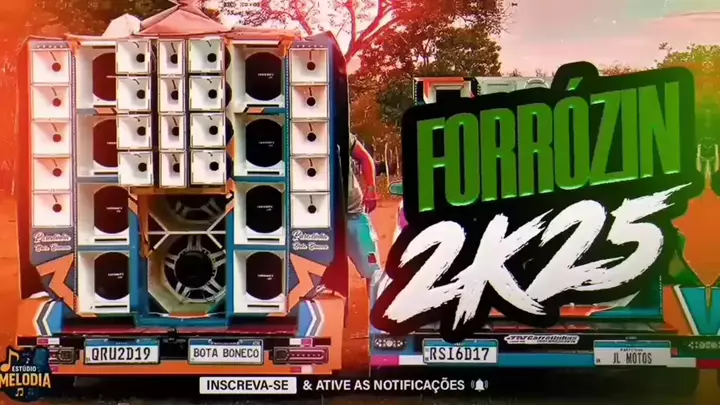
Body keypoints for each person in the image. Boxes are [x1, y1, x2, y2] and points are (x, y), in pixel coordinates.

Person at [306, 133, 382, 301]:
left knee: (373, 272)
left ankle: (377, 316)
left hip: (353, 213)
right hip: (318, 218)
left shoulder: (338, 131)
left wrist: (371, 188)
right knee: (312, 276)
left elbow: (365, 157)